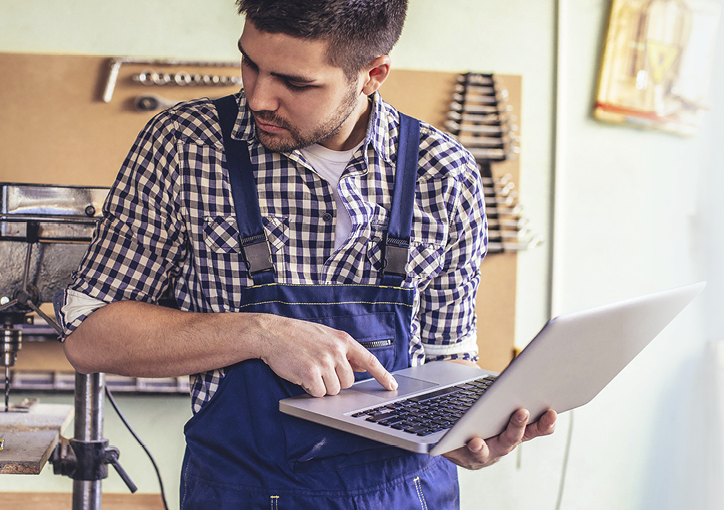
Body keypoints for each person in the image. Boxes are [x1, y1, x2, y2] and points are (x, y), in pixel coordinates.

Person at [58, 1, 556, 507]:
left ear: (372, 74)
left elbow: (451, 360)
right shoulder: (185, 147)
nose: (258, 98)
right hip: (243, 494)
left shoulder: (444, 172)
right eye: (249, 63)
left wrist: (467, 434)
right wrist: (260, 333)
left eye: (294, 84)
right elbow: (90, 337)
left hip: (408, 495)